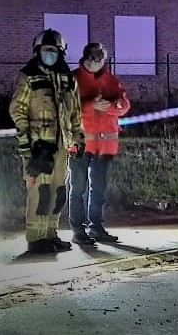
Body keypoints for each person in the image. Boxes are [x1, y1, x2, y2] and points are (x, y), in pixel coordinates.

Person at [9, 29, 85, 254]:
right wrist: (26, 144)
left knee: (58, 192)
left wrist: (78, 139)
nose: (49, 54)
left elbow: (76, 114)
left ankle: (51, 234)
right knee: (40, 193)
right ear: (37, 51)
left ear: (60, 52)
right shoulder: (28, 76)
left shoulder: (68, 79)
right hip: (38, 147)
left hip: (62, 146)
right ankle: (36, 239)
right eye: (45, 50)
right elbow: (18, 110)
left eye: (53, 50)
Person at [67, 42, 130, 244]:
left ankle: (96, 226)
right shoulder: (73, 79)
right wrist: (90, 105)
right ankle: (78, 229)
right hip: (81, 144)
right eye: (92, 59)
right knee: (78, 187)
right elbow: (65, 107)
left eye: (99, 59)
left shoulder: (110, 80)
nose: (96, 63)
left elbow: (124, 104)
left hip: (104, 146)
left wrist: (114, 106)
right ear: (86, 58)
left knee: (99, 188)